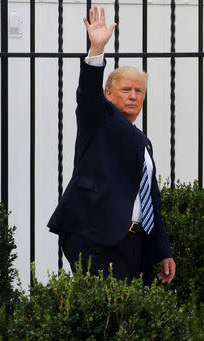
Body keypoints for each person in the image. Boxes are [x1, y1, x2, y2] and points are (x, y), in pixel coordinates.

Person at [48, 6, 176, 285]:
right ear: (108, 93)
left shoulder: (143, 141)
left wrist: (162, 251)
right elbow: (88, 94)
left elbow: (150, 197)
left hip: (133, 243)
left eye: (138, 91)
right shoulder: (99, 119)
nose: (132, 96)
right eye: (125, 90)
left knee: (129, 321)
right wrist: (96, 49)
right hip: (94, 238)